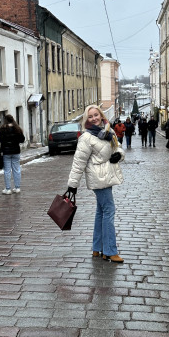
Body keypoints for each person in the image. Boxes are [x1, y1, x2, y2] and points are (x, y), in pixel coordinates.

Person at [67, 105, 125, 263]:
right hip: (98, 179)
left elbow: (118, 147)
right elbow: (79, 163)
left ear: (101, 115)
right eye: (90, 116)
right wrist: (72, 184)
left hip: (108, 175)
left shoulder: (109, 131)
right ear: (87, 119)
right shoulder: (86, 138)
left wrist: (118, 156)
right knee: (109, 211)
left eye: (96, 115)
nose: (94, 118)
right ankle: (110, 250)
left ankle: (97, 248)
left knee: (101, 211)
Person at [0, 114, 25, 194]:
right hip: (16, 151)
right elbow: (22, 139)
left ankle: (8, 189)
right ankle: (17, 187)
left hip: (6, 152)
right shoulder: (17, 129)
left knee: (7, 171)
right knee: (17, 170)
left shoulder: (2, 129)